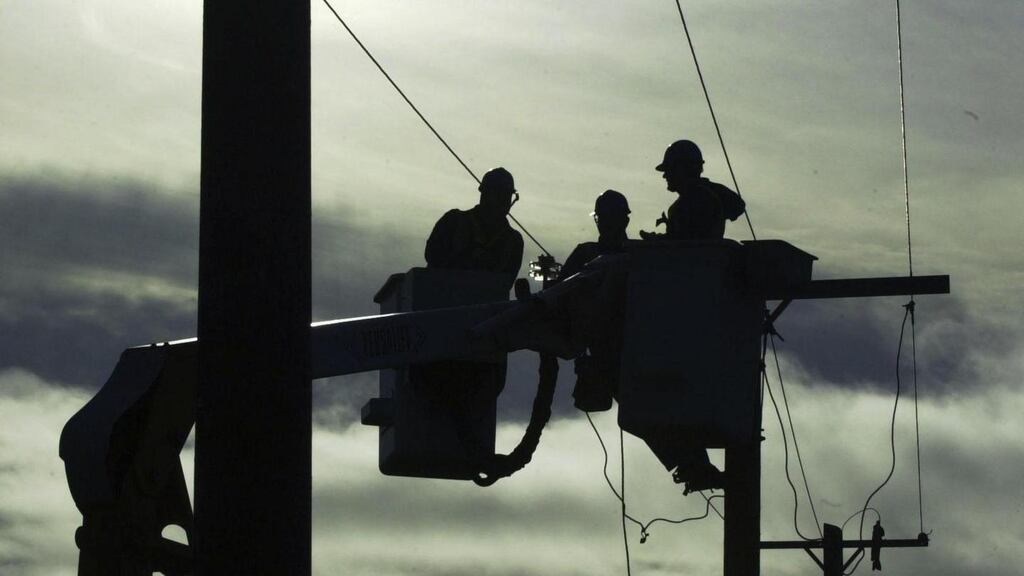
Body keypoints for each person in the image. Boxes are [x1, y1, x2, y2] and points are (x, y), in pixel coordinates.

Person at [556, 190, 632, 413]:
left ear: (624, 219)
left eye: (609, 217)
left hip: (626, 350)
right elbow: (562, 293)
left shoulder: (637, 256)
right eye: (602, 218)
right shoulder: (586, 254)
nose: (605, 224)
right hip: (600, 348)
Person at [425, 167, 524, 289]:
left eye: (506, 196)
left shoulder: (513, 241)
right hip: (442, 299)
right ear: (485, 193)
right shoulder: (453, 221)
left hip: (486, 306)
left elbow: (505, 283)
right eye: (499, 194)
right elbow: (432, 256)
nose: (504, 201)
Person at [640, 139, 745, 241]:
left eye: (669, 169)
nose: (665, 175)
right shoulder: (708, 193)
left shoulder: (697, 198)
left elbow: (684, 241)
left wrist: (658, 240)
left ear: (682, 169)